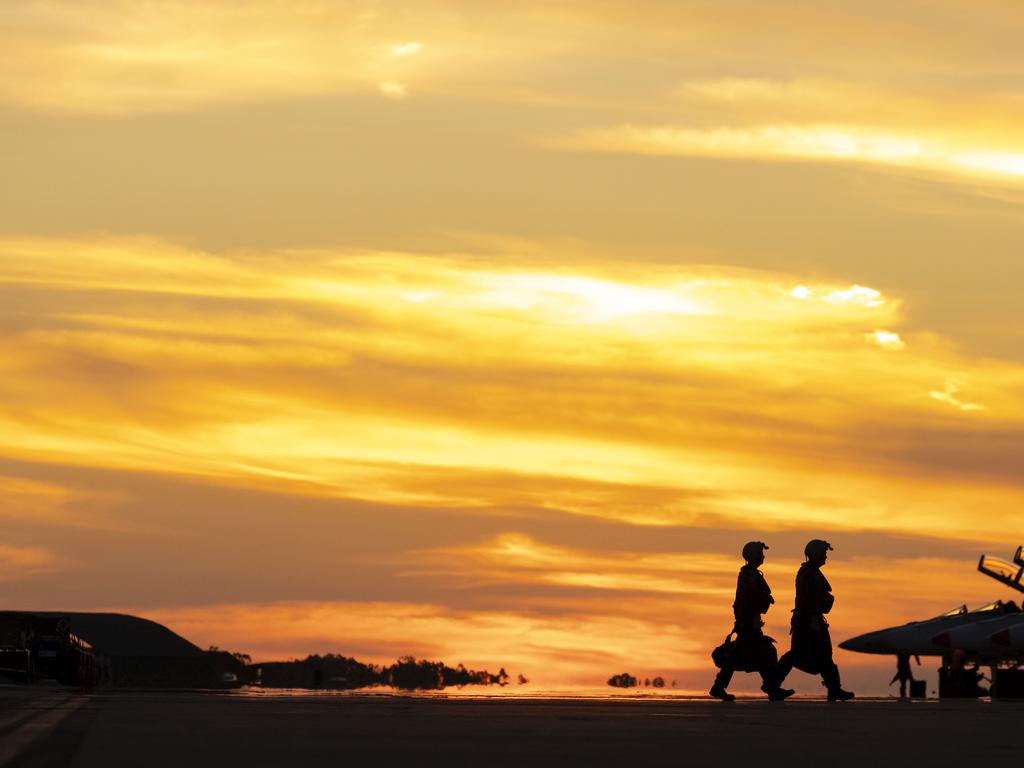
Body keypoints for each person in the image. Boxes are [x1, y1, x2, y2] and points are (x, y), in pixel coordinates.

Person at [710, 541, 795, 701]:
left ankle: (770, 687)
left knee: (757, 653)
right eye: (760, 553)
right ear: (754, 555)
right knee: (759, 652)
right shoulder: (749, 576)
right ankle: (771, 688)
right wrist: (752, 618)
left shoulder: (750, 574)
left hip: (749, 620)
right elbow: (748, 600)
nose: (763, 556)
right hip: (748, 621)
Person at [777, 539, 854, 701]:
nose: (825, 557)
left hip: (809, 619)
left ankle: (834, 689)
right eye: (824, 553)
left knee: (823, 655)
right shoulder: (810, 574)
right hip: (808, 620)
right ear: (816, 554)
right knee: (798, 654)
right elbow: (810, 599)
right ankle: (772, 684)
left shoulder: (808, 572)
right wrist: (813, 618)